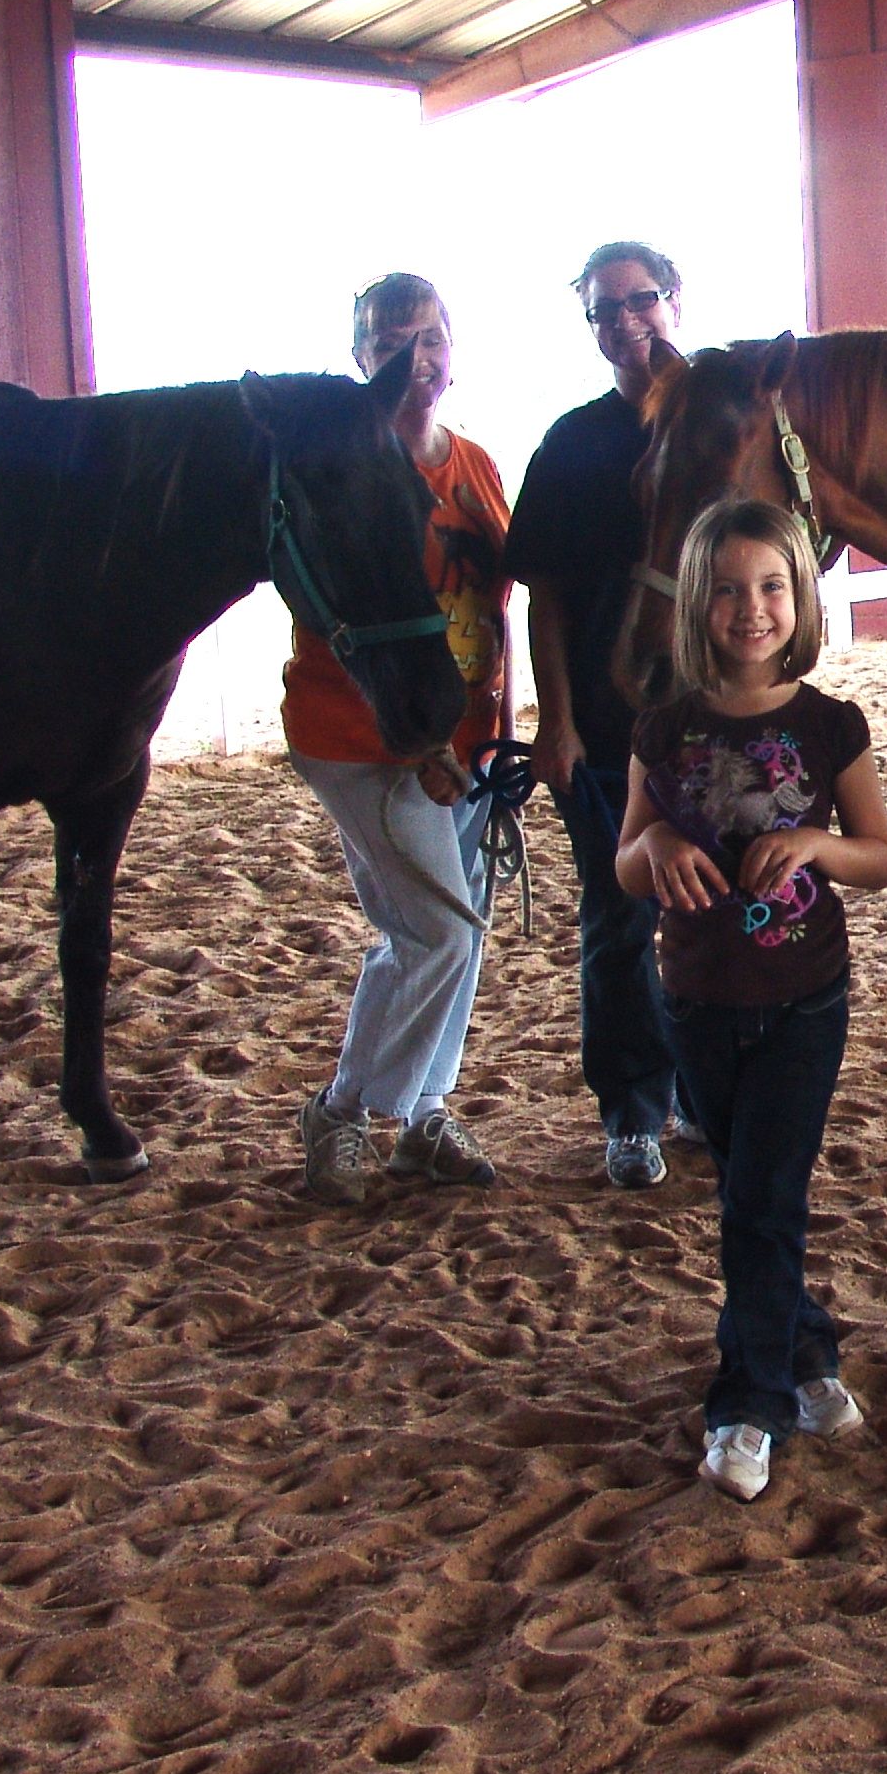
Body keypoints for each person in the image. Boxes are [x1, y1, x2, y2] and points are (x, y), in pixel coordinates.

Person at [619, 496, 887, 1504]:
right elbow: (624, 862)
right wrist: (657, 843)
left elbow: (882, 858)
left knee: (763, 1197)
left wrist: (818, 844)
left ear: (801, 598)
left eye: (773, 586)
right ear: (699, 601)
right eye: (731, 590)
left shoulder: (830, 725)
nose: (752, 609)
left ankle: (749, 1403)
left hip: (804, 998)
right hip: (696, 997)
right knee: (751, 1191)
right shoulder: (664, 727)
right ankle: (808, 1346)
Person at [288, 273, 516, 1207]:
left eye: (429, 339)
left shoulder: (476, 465)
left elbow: (497, 606)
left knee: (439, 933)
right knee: (442, 932)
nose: (414, 358)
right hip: (370, 737)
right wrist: (426, 744)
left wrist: (502, 730)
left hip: (467, 740)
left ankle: (424, 1112)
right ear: (360, 360)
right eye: (389, 343)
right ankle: (342, 1110)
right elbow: (348, 623)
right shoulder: (345, 470)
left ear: (452, 352)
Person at [506, 241, 688, 1190]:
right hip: (610, 727)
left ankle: (705, 1095)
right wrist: (558, 724)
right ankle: (633, 1113)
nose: (624, 322)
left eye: (639, 300)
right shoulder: (571, 444)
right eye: (603, 311)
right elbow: (546, 597)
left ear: (674, 300)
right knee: (619, 919)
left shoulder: (720, 422)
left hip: (713, 725)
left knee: (717, 916)